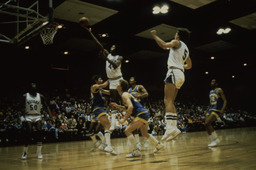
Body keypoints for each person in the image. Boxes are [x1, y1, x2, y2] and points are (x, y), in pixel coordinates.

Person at [151, 28, 192, 142]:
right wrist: (180, 65)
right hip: (181, 74)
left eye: (175, 34)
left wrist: (154, 35)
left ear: (178, 35)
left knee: (167, 100)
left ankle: (170, 128)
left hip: (173, 71)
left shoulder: (176, 42)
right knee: (171, 101)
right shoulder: (186, 49)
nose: (174, 35)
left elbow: (164, 45)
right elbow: (189, 65)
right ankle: (173, 127)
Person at [111, 79, 164, 158]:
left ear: (121, 87)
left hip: (141, 114)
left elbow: (131, 107)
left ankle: (136, 151)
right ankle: (158, 145)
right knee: (144, 134)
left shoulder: (124, 95)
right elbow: (127, 107)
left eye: (118, 83)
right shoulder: (126, 94)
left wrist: (124, 119)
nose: (116, 84)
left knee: (127, 131)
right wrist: (119, 107)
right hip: (144, 113)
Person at [21, 83, 51, 159]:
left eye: (35, 88)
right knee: (29, 132)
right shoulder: (25, 96)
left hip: (37, 116)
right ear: (30, 89)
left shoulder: (40, 96)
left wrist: (50, 115)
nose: (34, 89)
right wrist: (22, 116)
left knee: (39, 131)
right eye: (32, 88)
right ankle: (25, 152)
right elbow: (20, 107)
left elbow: (46, 106)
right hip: (28, 116)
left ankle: (39, 152)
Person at [90, 75, 117, 155]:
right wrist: (112, 78)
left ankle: (103, 145)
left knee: (109, 125)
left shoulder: (100, 89)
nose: (101, 79)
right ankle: (108, 146)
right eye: (100, 78)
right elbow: (105, 85)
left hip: (100, 108)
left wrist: (117, 90)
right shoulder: (94, 86)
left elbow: (108, 92)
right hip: (98, 108)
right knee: (108, 125)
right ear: (96, 80)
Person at [100, 45, 123, 132]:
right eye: (111, 47)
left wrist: (106, 59)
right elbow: (100, 46)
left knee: (123, 98)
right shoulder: (108, 54)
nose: (112, 48)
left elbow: (115, 66)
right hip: (111, 80)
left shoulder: (119, 57)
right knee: (113, 101)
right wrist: (90, 33)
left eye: (114, 47)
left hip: (119, 79)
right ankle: (113, 123)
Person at [128, 76, 149, 149]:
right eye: (129, 79)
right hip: (134, 110)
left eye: (132, 79)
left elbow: (146, 94)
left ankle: (147, 140)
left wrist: (138, 95)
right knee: (134, 128)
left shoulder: (139, 87)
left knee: (143, 128)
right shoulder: (129, 90)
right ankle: (137, 143)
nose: (130, 80)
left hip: (141, 109)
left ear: (135, 81)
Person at [205, 79, 227, 147]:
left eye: (213, 82)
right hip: (210, 109)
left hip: (216, 109)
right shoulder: (210, 91)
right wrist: (207, 110)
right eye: (211, 81)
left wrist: (222, 110)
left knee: (207, 123)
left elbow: (225, 101)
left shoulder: (219, 90)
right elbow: (210, 102)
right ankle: (213, 140)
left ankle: (216, 139)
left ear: (216, 83)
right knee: (206, 125)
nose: (211, 83)